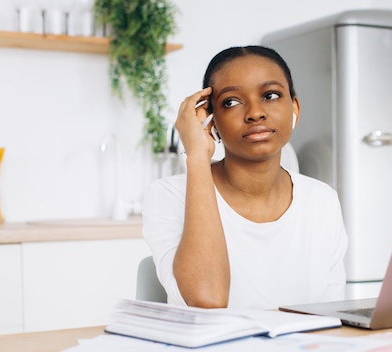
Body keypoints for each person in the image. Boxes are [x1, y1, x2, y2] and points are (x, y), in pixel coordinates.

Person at [142, 45, 348, 309]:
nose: (254, 113)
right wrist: (196, 156)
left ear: (294, 108)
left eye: (270, 95)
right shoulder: (168, 195)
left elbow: (332, 318)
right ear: (211, 121)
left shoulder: (322, 201)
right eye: (231, 102)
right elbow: (208, 299)